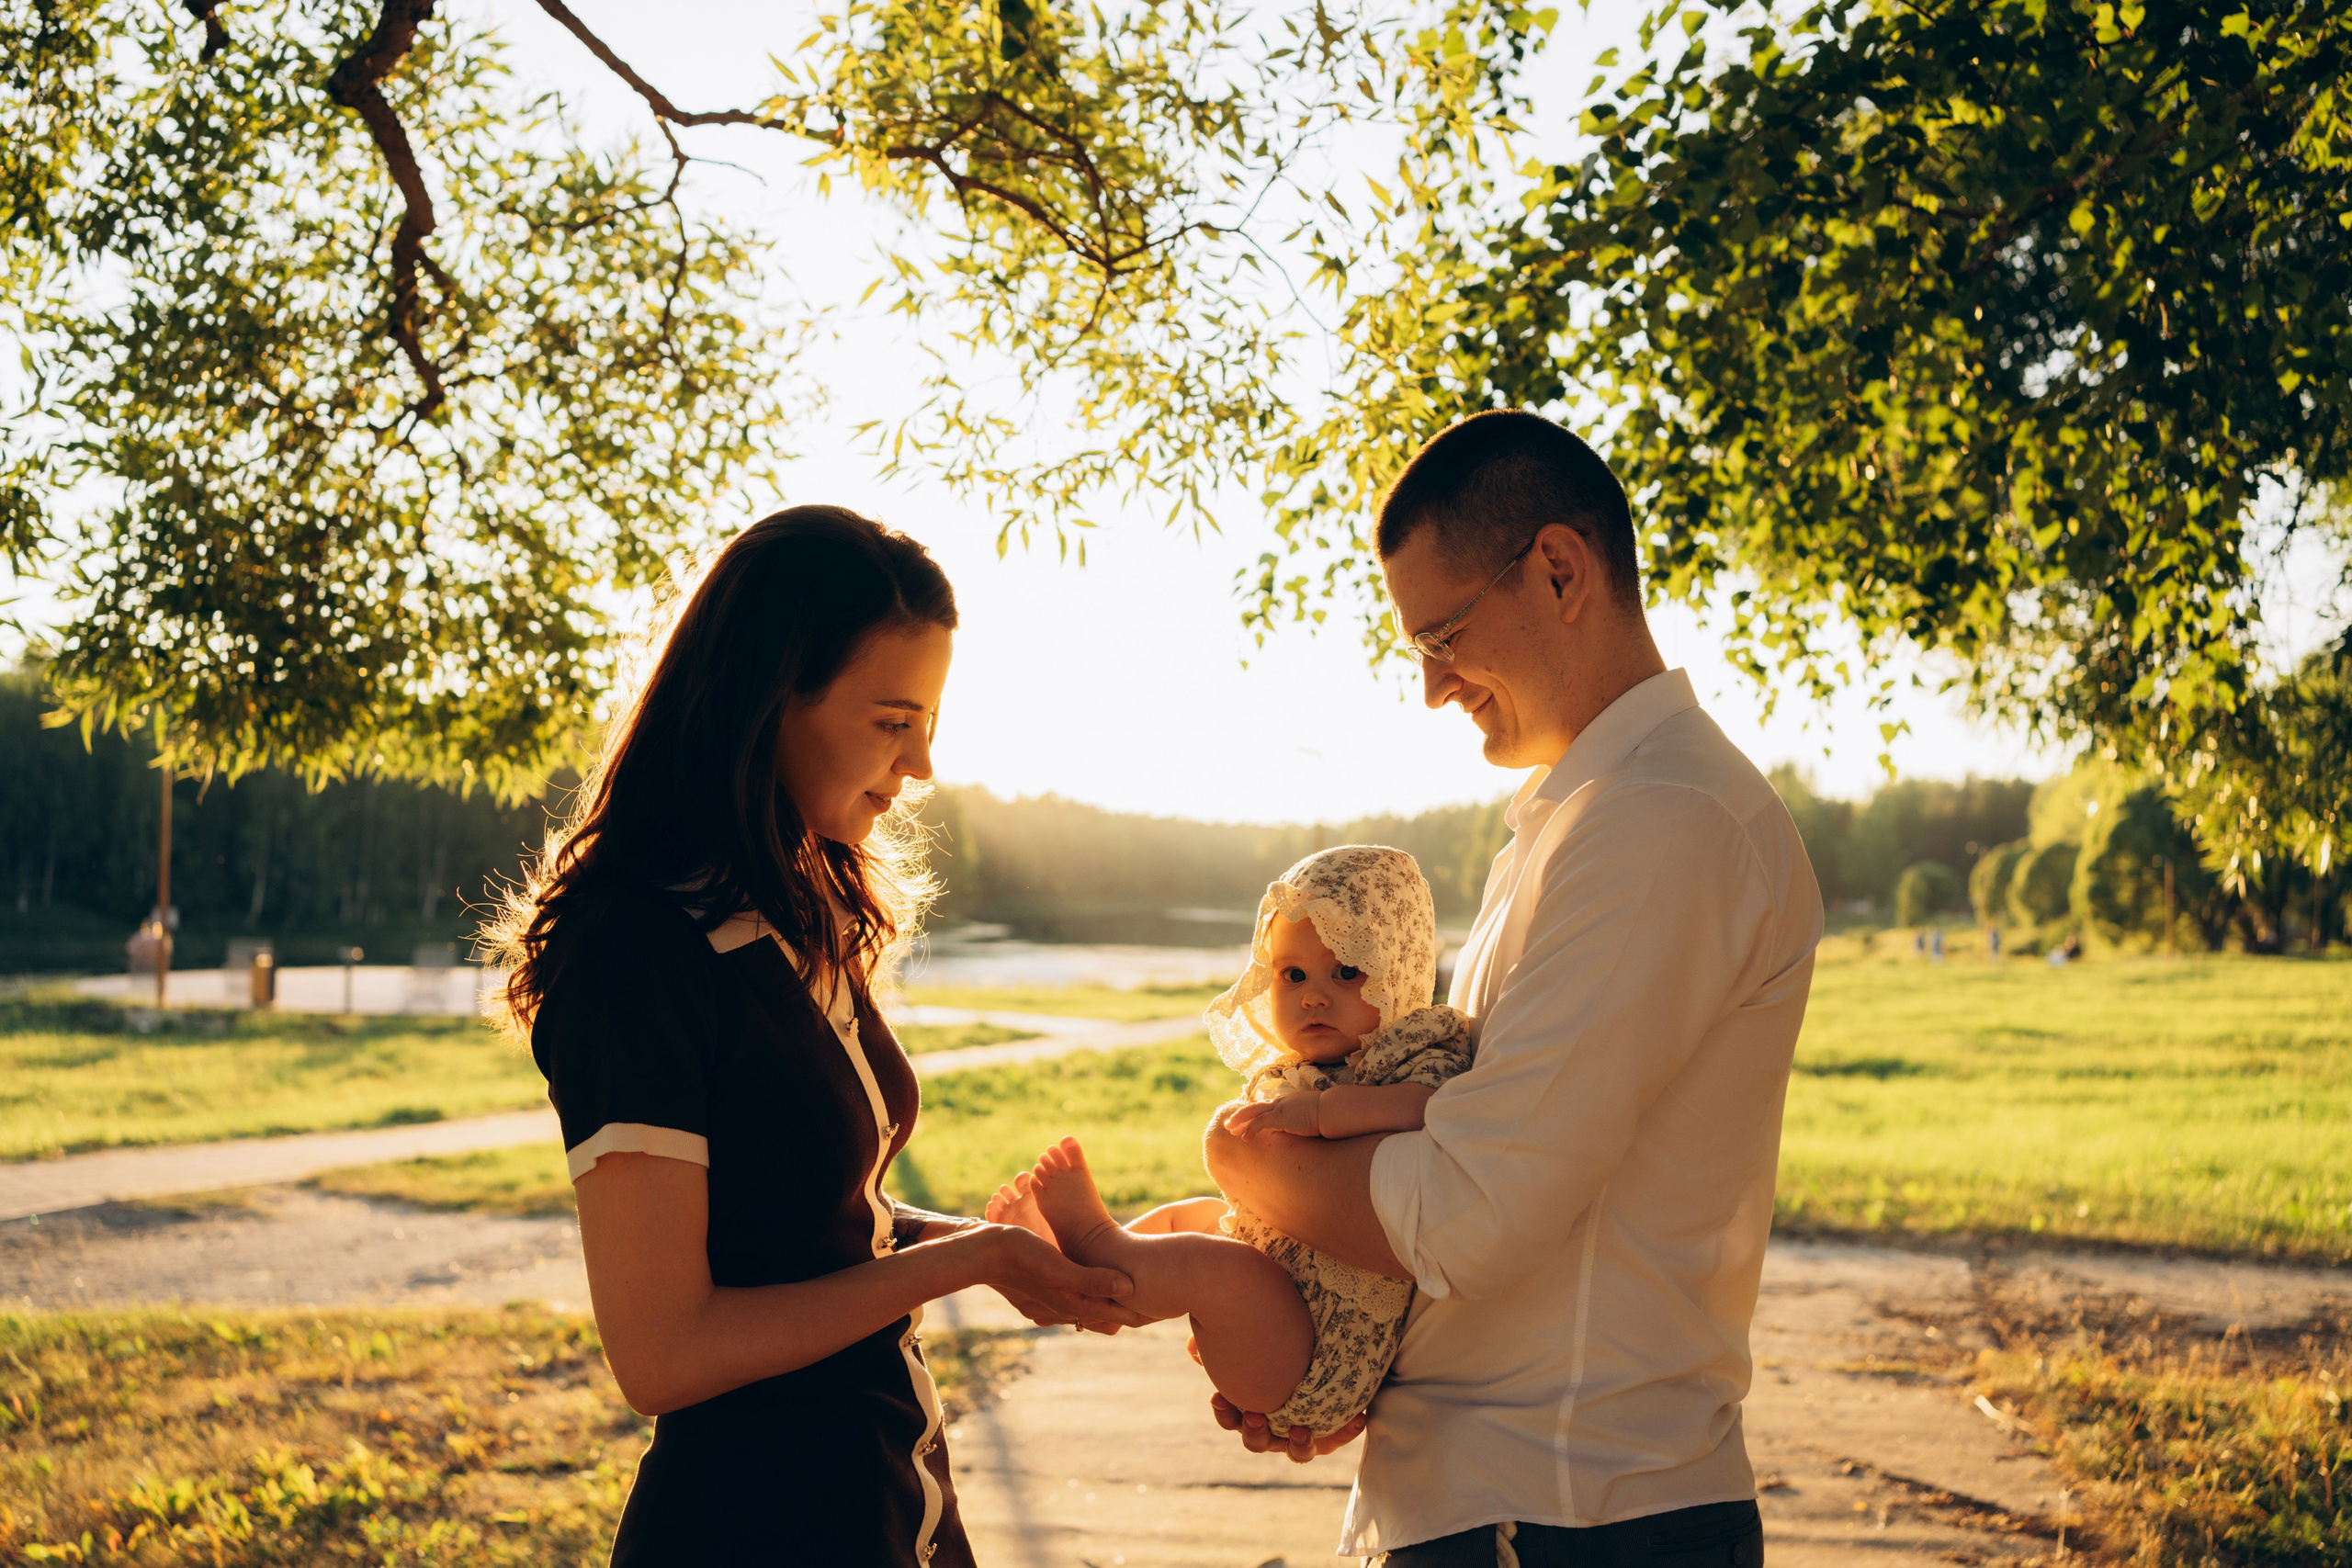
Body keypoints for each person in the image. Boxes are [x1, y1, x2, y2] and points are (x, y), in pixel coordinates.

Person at [1203, 411, 1824, 1567]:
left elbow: (1474, 1212)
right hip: (1512, 1500)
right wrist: (1333, 1356)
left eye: (1443, 633)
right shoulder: (1581, 821)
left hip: (1567, 1511)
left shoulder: (1660, 824)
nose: (1433, 687)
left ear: (1557, 570)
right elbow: (1487, 1171)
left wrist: (1248, 1162)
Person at [484, 505, 1140, 1567]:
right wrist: (963, 1261)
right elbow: (663, 1353)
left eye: (926, 720)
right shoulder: (637, 951)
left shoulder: (788, 915)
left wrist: (992, 1252)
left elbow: (816, 1227)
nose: (923, 761)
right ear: (768, 697)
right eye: (893, 720)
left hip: (893, 1503)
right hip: (755, 1525)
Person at [987, 846, 1473, 1436]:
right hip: (1281, 1312)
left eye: (1346, 970)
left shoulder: (1414, 1053)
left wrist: (1323, 1113)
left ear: (1399, 970)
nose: (1313, 995)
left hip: (1315, 1363)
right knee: (1198, 1220)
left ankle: (1095, 1240)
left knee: (1221, 1269)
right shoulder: (1294, 1070)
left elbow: (1430, 1106)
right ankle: (1079, 1268)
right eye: (1292, 975)